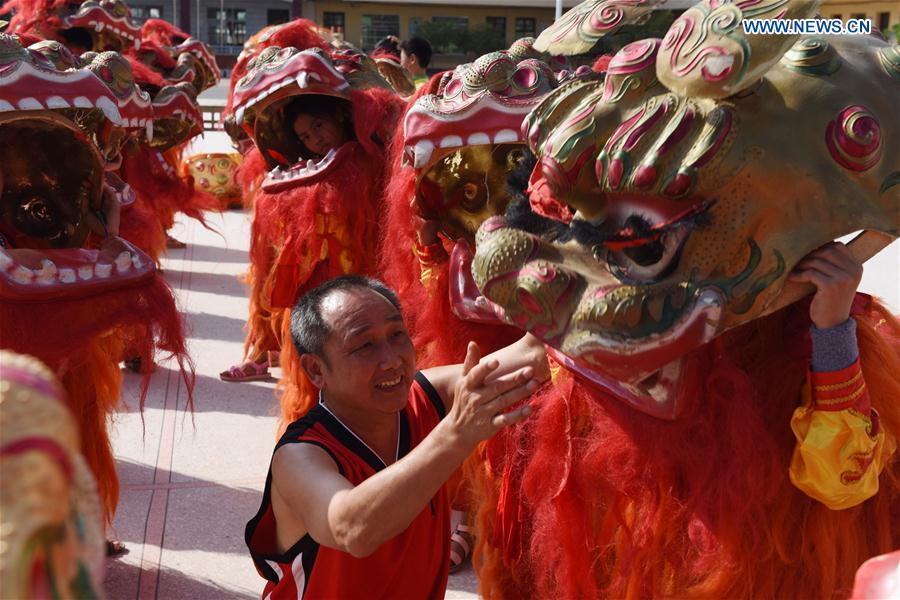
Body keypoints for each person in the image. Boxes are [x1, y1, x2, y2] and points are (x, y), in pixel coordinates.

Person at [245, 275, 549, 598]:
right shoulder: (299, 455)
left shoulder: (426, 397)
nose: (392, 360)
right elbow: (352, 528)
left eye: (397, 335)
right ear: (316, 370)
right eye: (365, 346)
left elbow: (535, 355)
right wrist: (456, 434)